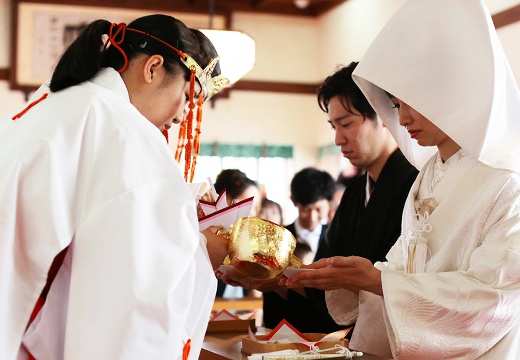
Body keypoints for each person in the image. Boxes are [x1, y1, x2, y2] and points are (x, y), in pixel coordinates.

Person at [283, 0, 520, 358]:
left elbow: (494, 298)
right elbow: (402, 268)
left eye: (413, 100)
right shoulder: (429, 175)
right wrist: (353, 278)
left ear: (455, 91)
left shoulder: (507, 181)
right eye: (396, 103)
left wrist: (377, 280)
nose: (403, 117)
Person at [0, 15, 230, 360]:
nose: (184, 115)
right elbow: (136, 298)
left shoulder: (50, 105)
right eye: (188, 96)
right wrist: (202, 250)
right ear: (153, 68)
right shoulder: (126, 134)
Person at [261, 167, 340, 332]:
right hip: (283, 324)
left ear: (329, 203)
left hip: (325, 327)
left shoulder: (337, 237)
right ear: (294, 202)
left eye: (318, 209)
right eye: (305, 209)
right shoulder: (277, 237)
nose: (312, 217)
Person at [213, 168, 262, 298]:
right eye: (248, 205)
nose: (253, 213)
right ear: (227, 201)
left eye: (256, 208)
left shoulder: (253, 245)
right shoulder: (208, 239)